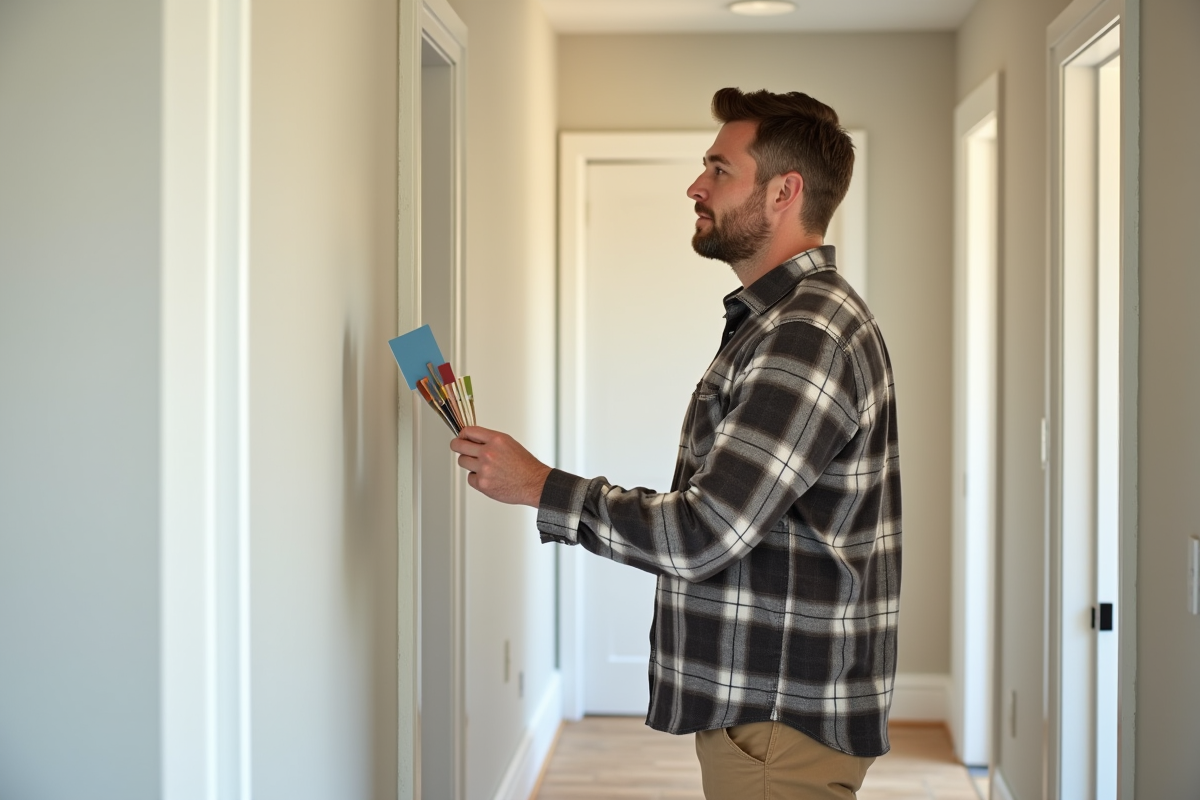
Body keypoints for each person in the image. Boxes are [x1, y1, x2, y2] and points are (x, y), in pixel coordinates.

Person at [450, 87, 901, 799]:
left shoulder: (805, 334)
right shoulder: (790, 319)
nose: (697, 186)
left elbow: (706, 532)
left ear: (784, 192)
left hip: (776, 722)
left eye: (720, 169)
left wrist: (540, 485)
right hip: (774, 712)